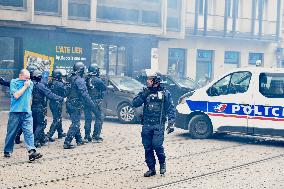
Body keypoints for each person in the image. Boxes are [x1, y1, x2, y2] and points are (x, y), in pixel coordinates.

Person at [132, 70, 175, 177]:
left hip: (158, 124)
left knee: (157, 145)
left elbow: (171, 108)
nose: (147, 81)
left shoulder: (165, 93)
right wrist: (144, 94)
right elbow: (135, 103)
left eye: (149, 79)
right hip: (146, 124)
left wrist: (171, 122)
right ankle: (151, 169)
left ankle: (162, 162)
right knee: (147, 147)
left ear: (156, 81)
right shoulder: (145, 91)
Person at [3, 69, 43, 161]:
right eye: (26, 78)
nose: (28, 80)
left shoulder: (30, 83)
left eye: (29, 78)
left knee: (29, 132)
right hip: (15, 112)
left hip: (27, 113)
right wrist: (25, 86)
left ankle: (32, 151)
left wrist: (29, 108)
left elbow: (30, 96)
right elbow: (16, 95)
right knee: (11, 133)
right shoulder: (14, 82)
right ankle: (7, 150)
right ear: (20, 76)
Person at [63, 62, 97, 149]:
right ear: (81, 70)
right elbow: (85, 94)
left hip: (69, 102)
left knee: (75, 121)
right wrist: (92, 104)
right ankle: (67, 142)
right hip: (75, 103)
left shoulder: (70, 78)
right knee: (76, 123)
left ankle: (79, 140)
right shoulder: (80, 80)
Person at [30, 69, 64, 147]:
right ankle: (35, 141)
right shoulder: (40, 85)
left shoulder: (30, 84)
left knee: (35, 124)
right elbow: (50, 94)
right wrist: (61, 98)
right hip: (39, 106)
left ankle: (41, 139)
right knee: (41, 124)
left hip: (31, 107)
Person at [83, 64, 106, 143]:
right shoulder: (97, 80)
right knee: (99, 117)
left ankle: (86, 137)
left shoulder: (85, 78)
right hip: (95, 101)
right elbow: (104, 88)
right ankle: (96, 136)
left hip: (86, 101)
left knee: (88, 119)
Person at [47, 69, 67, 142]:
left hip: (52, 103)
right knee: (57, 119)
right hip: (57, 103)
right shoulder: (59, 84)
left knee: (58, 117)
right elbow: (66, 91)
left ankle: (60, 133)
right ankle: (49, 135)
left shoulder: (50, 82)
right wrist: (64, 83)